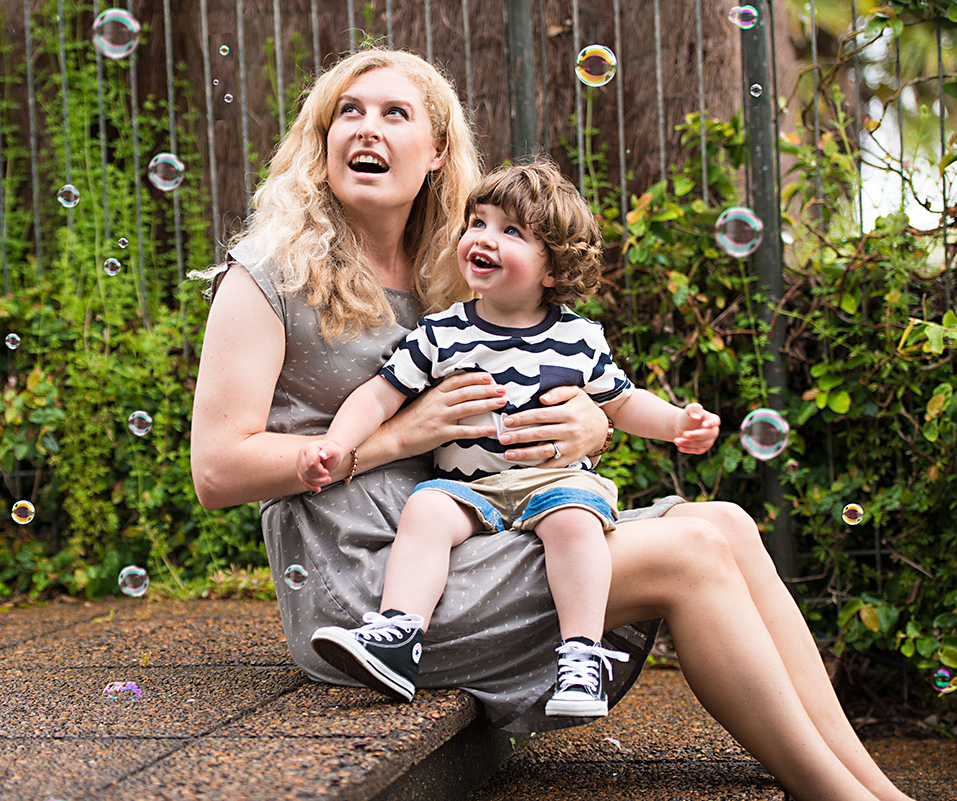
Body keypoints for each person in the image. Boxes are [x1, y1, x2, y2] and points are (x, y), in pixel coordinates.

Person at [190, 46, 914, 801]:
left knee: (726, 520)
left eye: (394, 113)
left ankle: (872, 784)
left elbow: (545, 378)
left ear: (437, 151)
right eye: (350, 111)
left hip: (478, 530)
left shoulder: (452, 267)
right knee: (692, 551)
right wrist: (397, 439)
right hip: (370, 584)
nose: (366, 129)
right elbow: (216, 471)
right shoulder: (268, 275)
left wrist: (587, 426)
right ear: (322, 138)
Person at [296, 159, 720, 718]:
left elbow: (622, 401)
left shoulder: (577, 337)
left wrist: (675, 425)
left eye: (511, 231)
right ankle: (398, 637)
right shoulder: (443, 331)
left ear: (554, 268)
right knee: (425, 509)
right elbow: (380, 395)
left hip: (555, 481)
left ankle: (581, 657)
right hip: (470, 488)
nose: (484, 238)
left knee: (575, 522)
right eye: (477, 222)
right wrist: (338, 446)